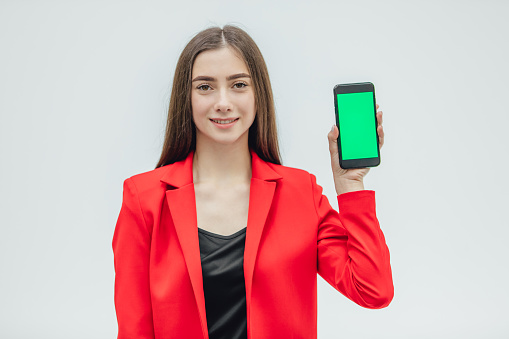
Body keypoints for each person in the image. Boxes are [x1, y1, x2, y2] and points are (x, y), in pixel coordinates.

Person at [112, 25, 393, 339]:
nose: (223, 102)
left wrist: (351, 186)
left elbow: (373, 289)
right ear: (186, 97)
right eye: (205, 87)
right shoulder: (144, 199)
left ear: (258, 93)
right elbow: (134, 329)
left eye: (238, 85)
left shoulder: (302, 194)